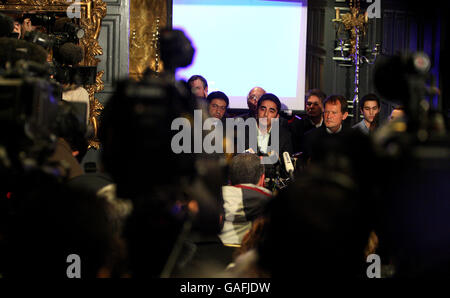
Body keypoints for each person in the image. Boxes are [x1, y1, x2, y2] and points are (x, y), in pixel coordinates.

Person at [219, 153, 271, 246]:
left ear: (229, 179)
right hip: (253, 256)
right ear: (262, 178)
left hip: (213, 254)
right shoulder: (268, 199)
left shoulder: (213, 197)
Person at [289, 89, 326, 153]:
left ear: (323, 108)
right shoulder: (298, 124)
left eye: (316, 104)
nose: (311, 107)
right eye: (309, 104)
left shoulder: (328, 124)